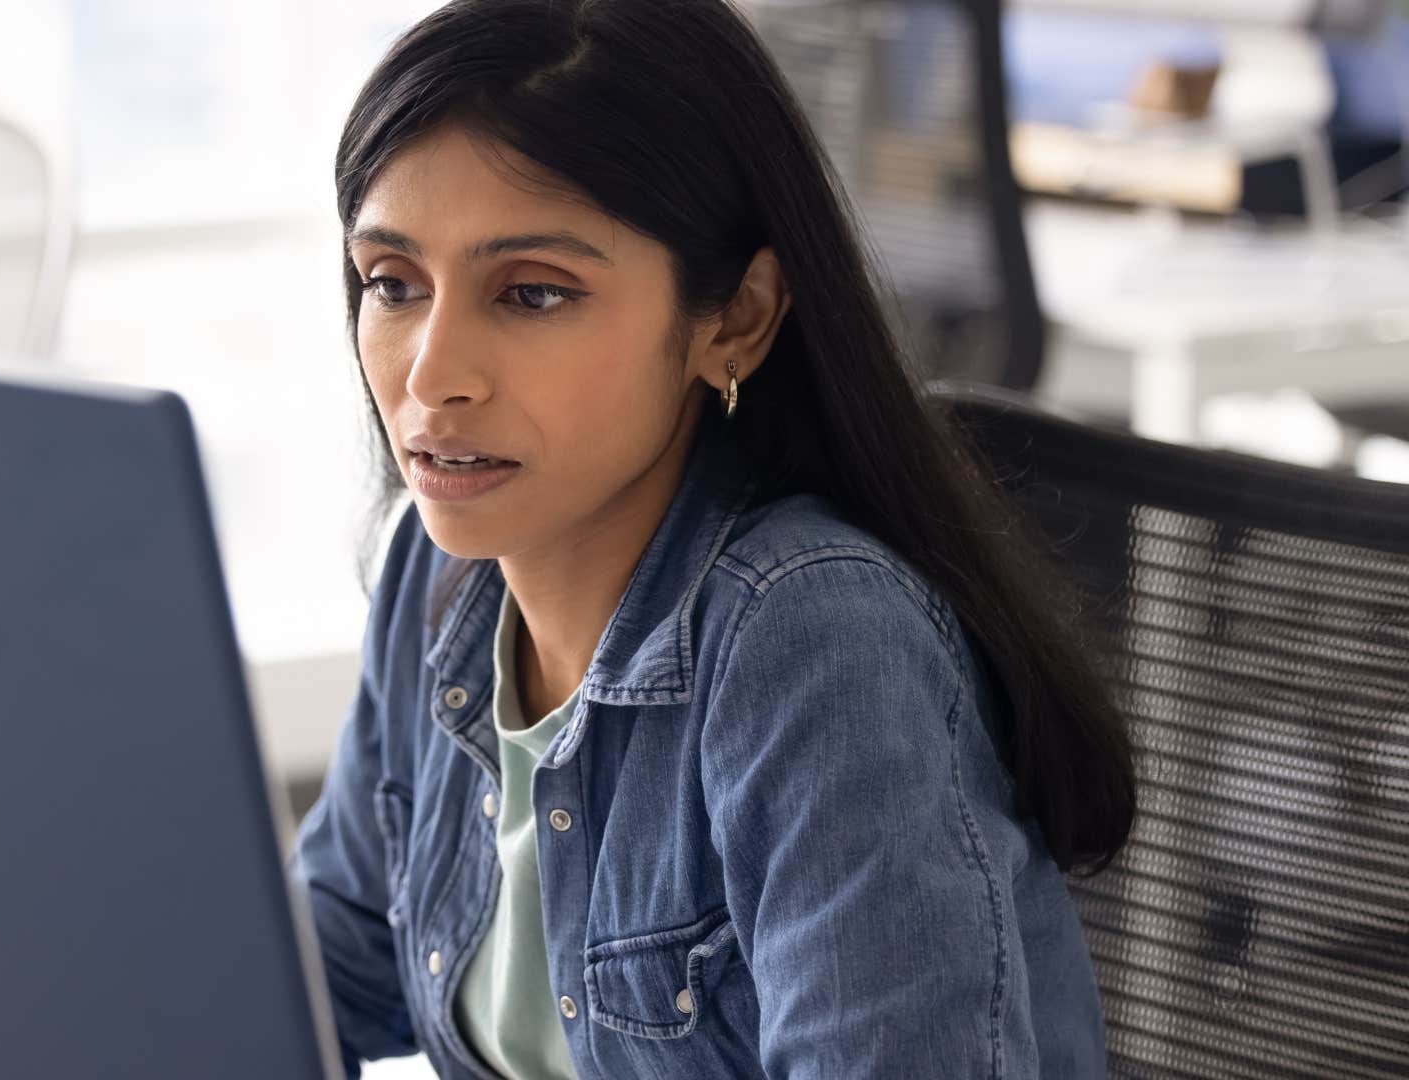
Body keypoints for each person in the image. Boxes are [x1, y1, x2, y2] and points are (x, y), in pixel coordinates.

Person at [289, 1, 1135, 1076]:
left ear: (735, 317)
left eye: (533, 292)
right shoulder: (439, 574)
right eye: (393, 284)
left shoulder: (813, 643)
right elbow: (317, 980)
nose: (430, 373)